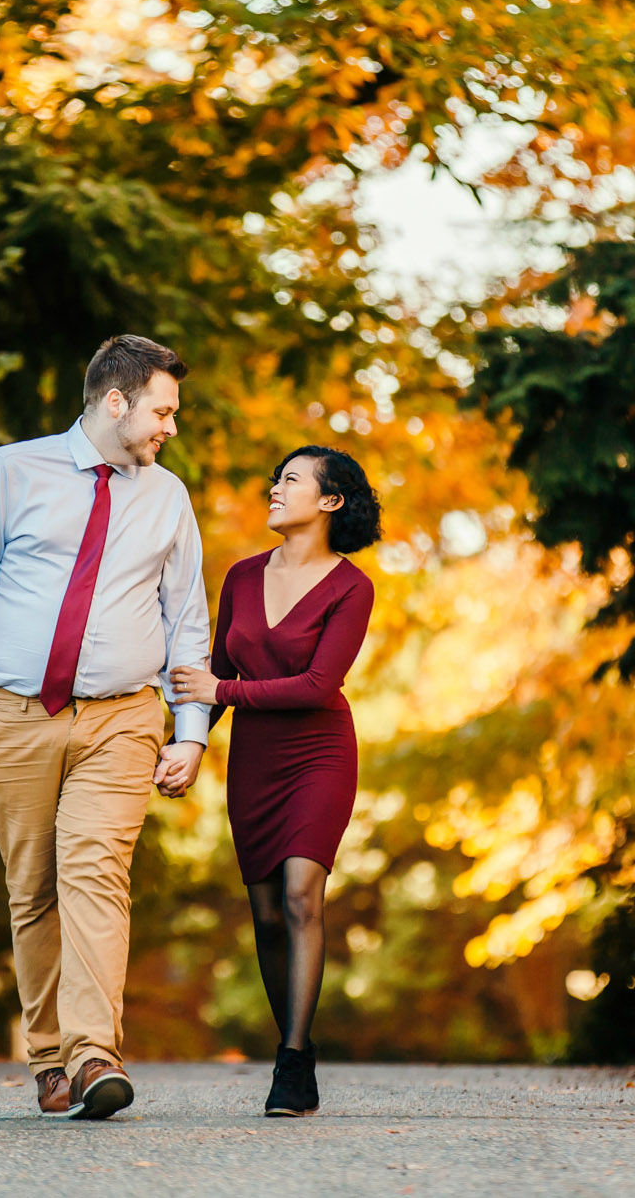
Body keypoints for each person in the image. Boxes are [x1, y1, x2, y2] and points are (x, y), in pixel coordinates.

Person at [0, 335, 211, 1121]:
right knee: (33, 890)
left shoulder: (168, 496)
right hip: (12, 714)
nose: (170, 427)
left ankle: (95, 1056)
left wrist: (188, 730)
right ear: (115, 402)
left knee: (96, 872)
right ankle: (49, 1060)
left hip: (123, 717)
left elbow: (187, 622)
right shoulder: (9, 472)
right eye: (162, 410)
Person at [166, 445, 380, 1117]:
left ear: (331, 500)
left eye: (290, 480)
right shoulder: (240, 576)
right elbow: (218, 673)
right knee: (264, 914)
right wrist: (186, 741)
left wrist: (221, 684)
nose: (274, 488)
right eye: (275, 479)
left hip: (319, 751)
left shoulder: (352, 586)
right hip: (253, 759)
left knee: (299, 896)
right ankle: (298, 1048)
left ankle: (292, 1060)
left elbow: (319, 684)